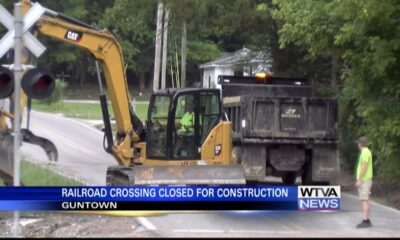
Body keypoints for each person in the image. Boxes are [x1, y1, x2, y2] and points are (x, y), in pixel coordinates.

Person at [355, 136, 373, 228]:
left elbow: (364, 166)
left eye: (358, 143)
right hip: (366, 180)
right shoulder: (366, 152)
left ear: (361, 144)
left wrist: (359, 179)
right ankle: (367, 219)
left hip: (364, 180)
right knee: (366, 200)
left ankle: (365, 221)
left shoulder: (365, 152)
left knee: (364, 200)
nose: (357, 145)